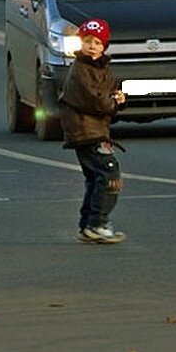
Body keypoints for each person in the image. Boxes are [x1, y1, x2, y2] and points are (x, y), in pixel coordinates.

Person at [58, 18, 127, 244]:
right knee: (109, 174)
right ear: (81, 43)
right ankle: (98, 223)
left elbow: (106, 94)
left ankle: (88, 225)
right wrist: (112, 103)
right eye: (88, 41)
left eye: (97, 42)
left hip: (94, 129)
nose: (92, 46)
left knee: (96, 177)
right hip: (85, 130)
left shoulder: (102, 67)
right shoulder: (81, 68)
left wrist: (118, 98)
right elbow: (93, 100)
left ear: (104, 46)